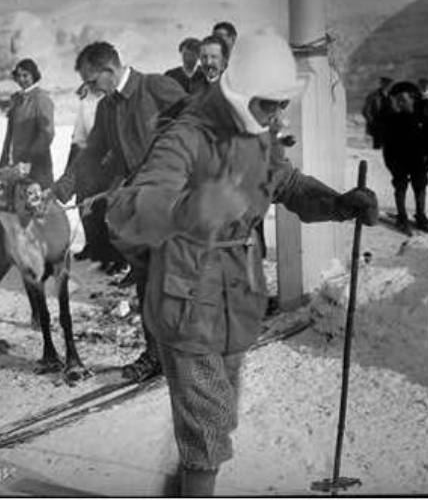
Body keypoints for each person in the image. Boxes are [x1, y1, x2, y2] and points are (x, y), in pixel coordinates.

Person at [104, 30, 378, 496]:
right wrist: (184, 209)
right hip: (186, 298)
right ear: (240, 93)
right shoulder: (186, 136)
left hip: (236, 300)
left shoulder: (257, 136)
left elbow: (286, 183)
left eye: (280, 105)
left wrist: (338, 203)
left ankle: (183, 487)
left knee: (218, 415)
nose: (275, 114)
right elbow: (126, 210)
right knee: (208, 426)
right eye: (268, 104)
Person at [51, 41, 186, 380]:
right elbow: (92, 151)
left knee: (178, 282)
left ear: (109, 70)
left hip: (176, 204)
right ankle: (155, 356)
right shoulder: (109, 107)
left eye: (92, 80)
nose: (90, 88)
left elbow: (201, 126)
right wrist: (61, 188)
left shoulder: (156, 88)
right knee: (145, 282)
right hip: (139, 210)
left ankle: (189, 355)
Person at [381, 80, 428, 235]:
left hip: (419, 160)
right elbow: (388, 146)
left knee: (420, 187)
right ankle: (402, 216)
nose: (401, 103)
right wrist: (391, 164)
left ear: (412, 99)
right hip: (398, 161)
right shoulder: (392, 120)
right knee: (400, 186)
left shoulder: (422, 117)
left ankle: (421, 216)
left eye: (404, 99)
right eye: (398, 100)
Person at [0, 59, 55, 188]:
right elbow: (10, 136)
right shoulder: (16, 99)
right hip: (14, 165)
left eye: (25, 75)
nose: (21, 79)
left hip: (35, 167)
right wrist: (3, 164)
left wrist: (29, 161)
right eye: (18, 75)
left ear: (34, 75)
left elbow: (47, 133)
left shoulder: (41, 99)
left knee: (35, 203)